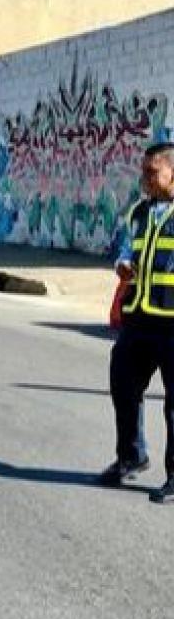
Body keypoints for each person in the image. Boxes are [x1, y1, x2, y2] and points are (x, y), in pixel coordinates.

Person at [103, 143, 174, 502]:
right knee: (123, 384)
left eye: (152, 172)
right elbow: (126, 249)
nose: (145, 179)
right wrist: (121, 263)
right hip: (140, 317)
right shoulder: (139, 211)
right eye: (143, 171)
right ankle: (131, 456)